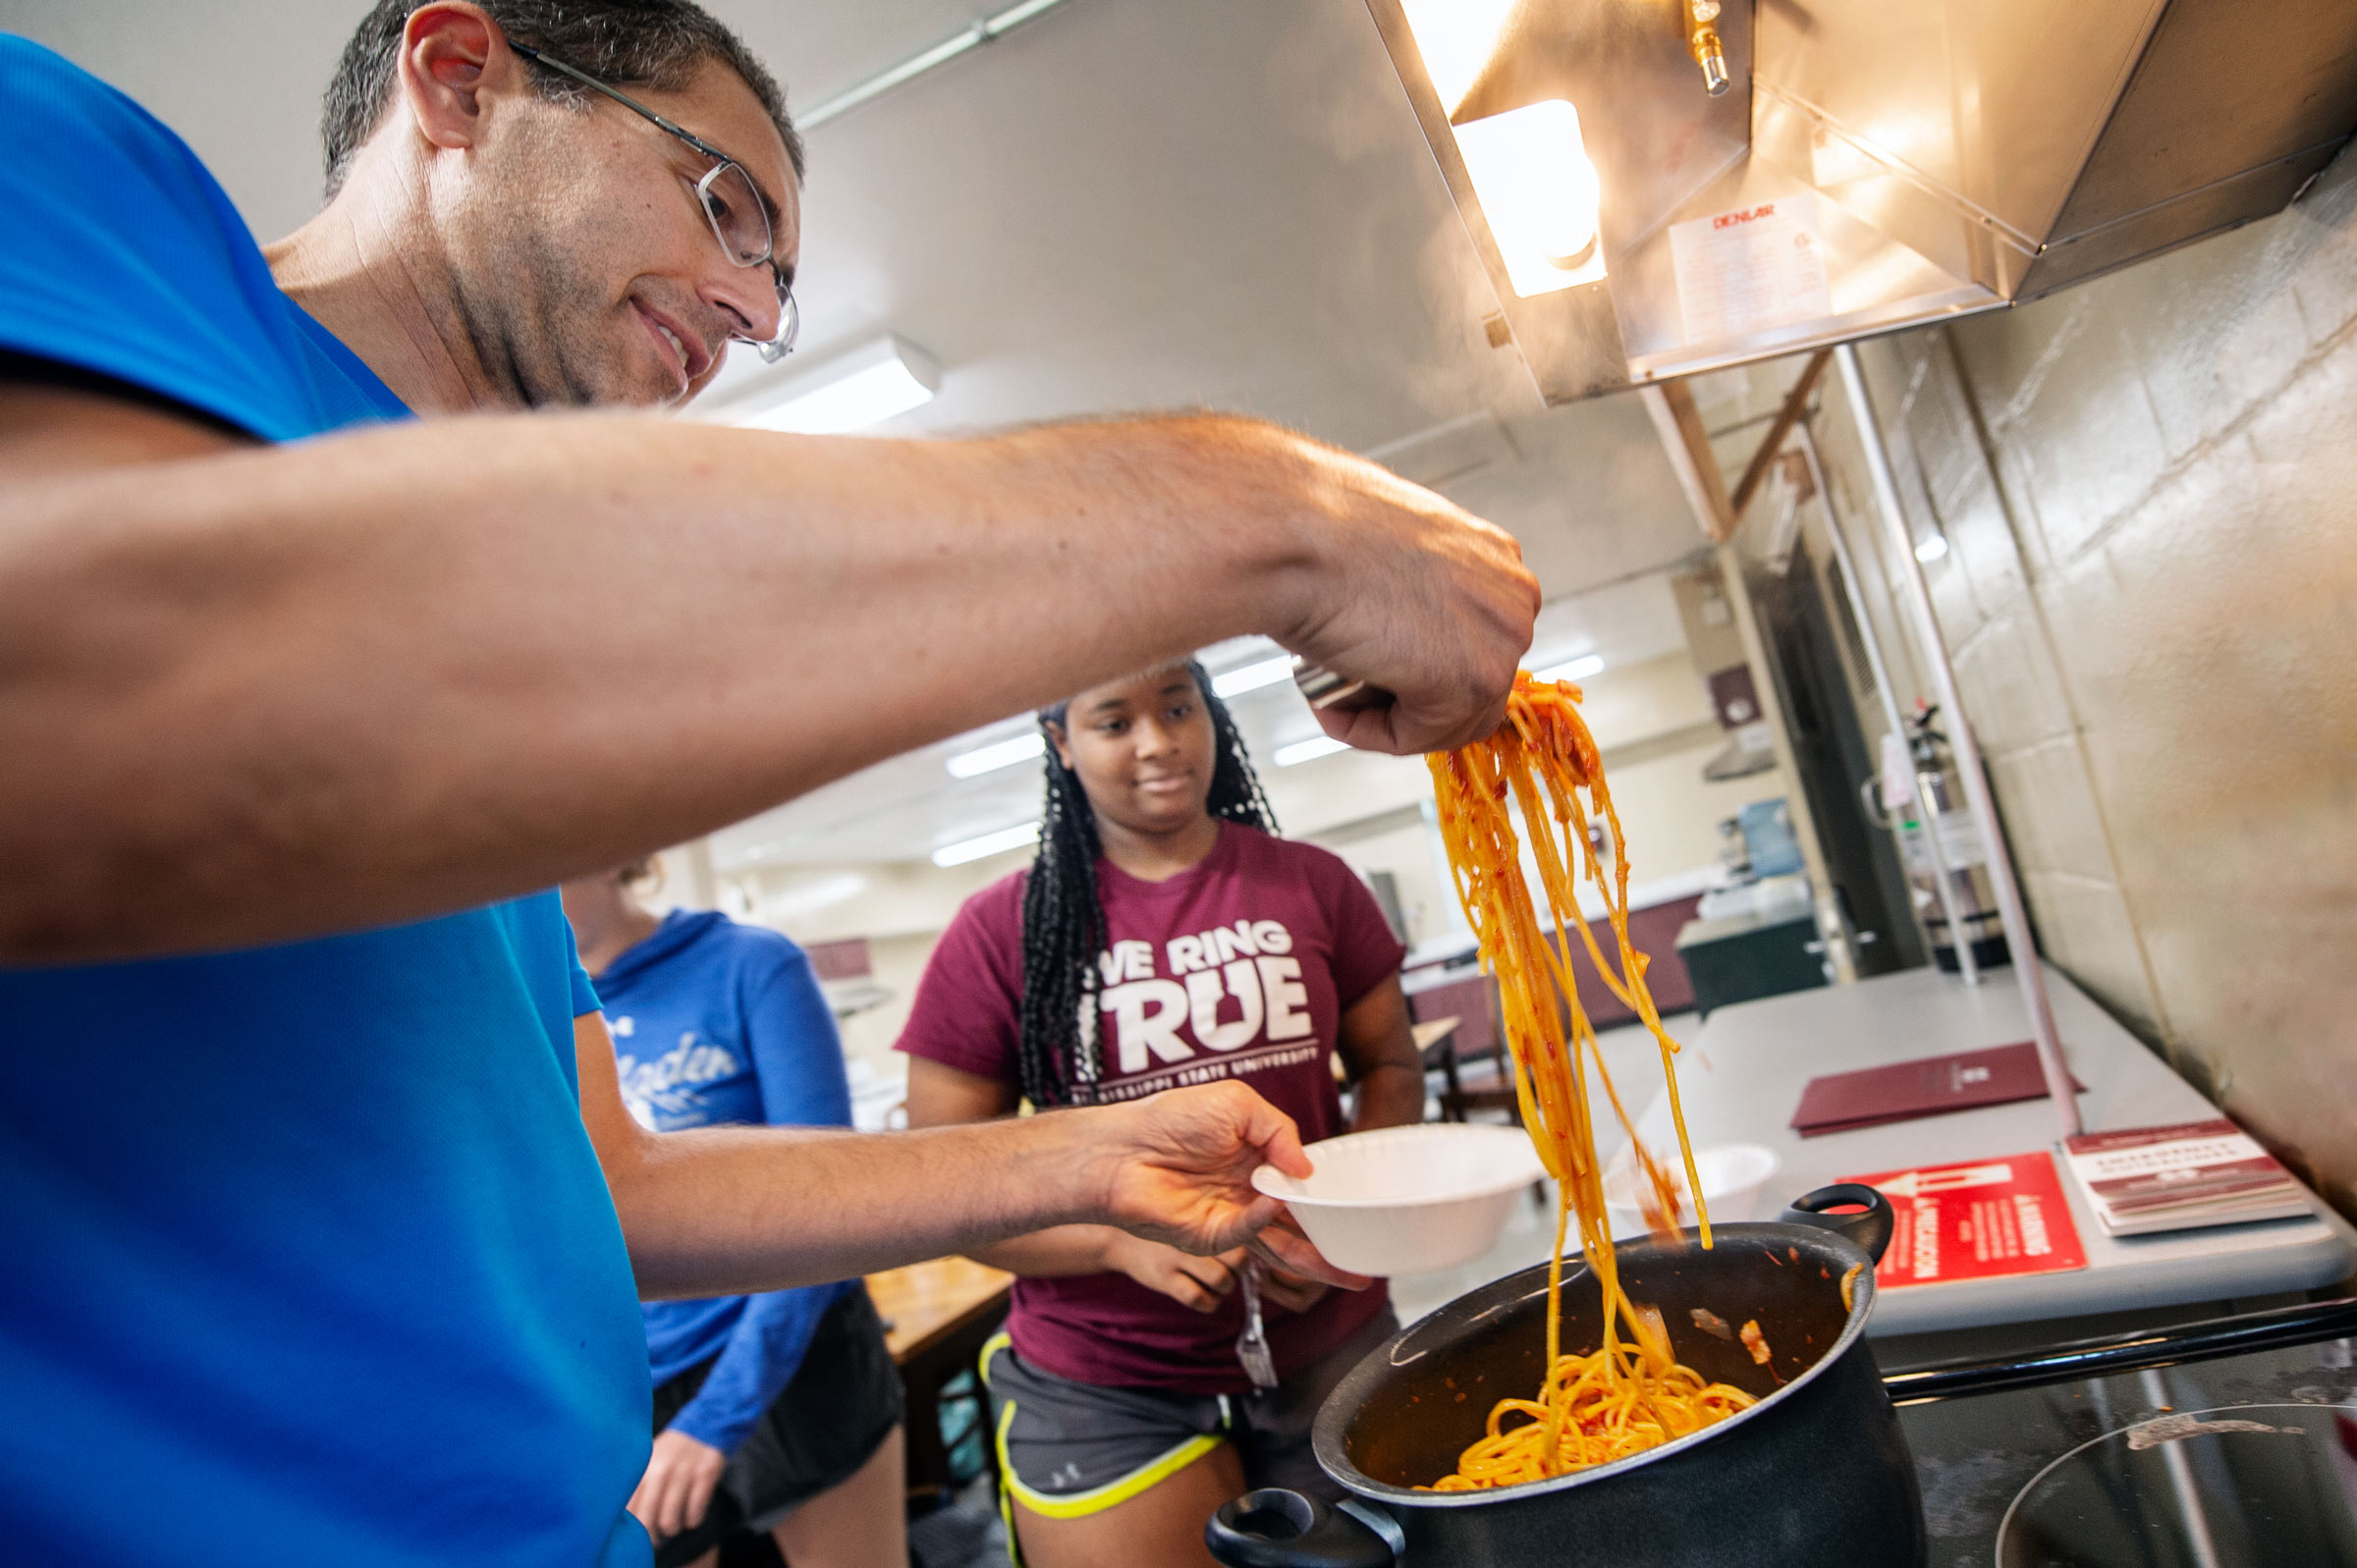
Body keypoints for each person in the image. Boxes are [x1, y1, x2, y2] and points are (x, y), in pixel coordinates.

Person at [0, 1, 1538, 1563]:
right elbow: (80, 692)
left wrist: (1081, 1155)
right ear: (459, 77)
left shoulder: (476, 767)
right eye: (723, 205)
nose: (743, 309)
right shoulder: (68, 168)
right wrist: (1276, 515)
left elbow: (619, 1188)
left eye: (778, 292)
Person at [900, 661, 1428, 1567]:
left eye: (1178, 707)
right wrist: (1114, 1242)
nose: (1158, 741)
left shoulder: (1309, 882)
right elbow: (945, 1181)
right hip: (1105, 1372)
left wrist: (1348, 1217)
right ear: (1061, 742)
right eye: (1113, 721)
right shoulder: (999, 931)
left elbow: (1389, 1062)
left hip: (1328, 1330)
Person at [564, 862, 907, 1568]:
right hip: (640, 1383)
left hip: (791, 1346)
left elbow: (828, 1210)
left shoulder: (747, 965)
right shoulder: (533, 1019)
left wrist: (717, 1419)